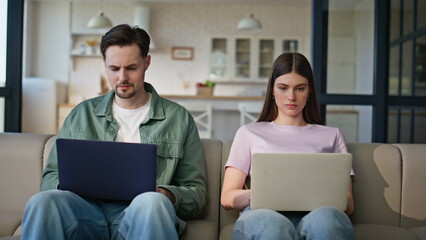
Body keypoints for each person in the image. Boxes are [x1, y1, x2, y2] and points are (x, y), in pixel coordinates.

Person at [21, 24, 206, 240]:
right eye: (114, 69)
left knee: (152, 202)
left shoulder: (179, 119)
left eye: (131, 68)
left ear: (147, 62)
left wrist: (165, 194)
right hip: (84, 214)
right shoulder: (81, 114)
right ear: (104, 65)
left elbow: (197, 195)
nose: (122, 77)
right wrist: (68, 184)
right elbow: (50, 177)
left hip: (140, 216)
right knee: (41, 202)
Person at [221, 52, 354, 240]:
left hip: (315, 215)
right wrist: (266, 193)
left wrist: (308, 195)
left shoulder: (332, 135)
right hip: (263, 214)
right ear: (272, 91)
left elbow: (348, 205)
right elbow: (227, 198)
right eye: (283, 88)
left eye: (300, 88)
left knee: (327, 221)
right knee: (273, 226)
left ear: (309, 92)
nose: (291, 97)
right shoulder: (248, 133)